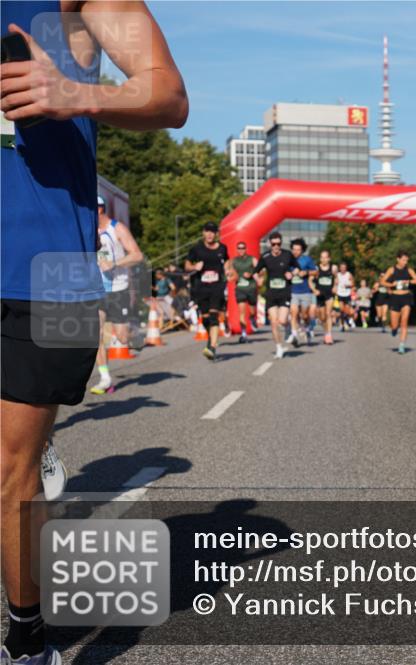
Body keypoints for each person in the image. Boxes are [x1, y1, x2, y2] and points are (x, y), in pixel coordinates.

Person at [1, 3, 187, 663]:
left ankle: (28, 641)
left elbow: (167, 95)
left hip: (37, 271)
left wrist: (74, 94)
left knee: (7, 470)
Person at [89, 196, 145, 394]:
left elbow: (137, 255)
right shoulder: (89, 230)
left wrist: (114, 264)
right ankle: (105, 378)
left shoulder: (117, 228)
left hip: (118, 288)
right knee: (96, 334)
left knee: (122, 338)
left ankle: (134, 331)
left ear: (99, 209)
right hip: (97, 290)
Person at [185, 222, 230, 360]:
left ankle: (212, 347)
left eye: (212, 231)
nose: (210, 234)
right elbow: (187, 265)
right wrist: (194, 267)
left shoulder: (222, 248)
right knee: (205, 318)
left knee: (213, 316)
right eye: (207, 231)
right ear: (203, 233)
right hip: (201, 287)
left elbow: (227, 261)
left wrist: (227, 270)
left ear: (216, 234)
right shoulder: (196, 249)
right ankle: (212, 337)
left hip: (217, 286)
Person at [254, 232, 298, 358]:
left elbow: (297, 268)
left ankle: (288, 330)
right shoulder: (265, 256)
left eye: (278, 244)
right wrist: (258, 280)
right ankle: (279, 347)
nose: (276, 246)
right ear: (270, 244)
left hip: (284, 292)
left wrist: (292, 274)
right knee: (274, 322)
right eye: (274, 244)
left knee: (282, 320)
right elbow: (255, 271)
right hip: (271, 294)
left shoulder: (287, 255)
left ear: (281, 243)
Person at [380, 250, 416, 354]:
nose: (405, 262)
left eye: (406, 260)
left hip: (406, 297)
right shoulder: (392, 270)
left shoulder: (409, 270)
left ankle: (402, 345)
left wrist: (408, 281)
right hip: (395, 298)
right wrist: (392, 284)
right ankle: (394, 329)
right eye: (403, 260)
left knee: (404, 322)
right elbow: (382, 281)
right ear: (398, 259)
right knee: (395, 325)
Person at [287, 238, 317, 347]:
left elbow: (315, 272)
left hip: (305, 291)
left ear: (302, 250)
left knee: (304, 315)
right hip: (293, 291)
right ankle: (295, 336)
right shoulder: (288, 259)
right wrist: (289, 274)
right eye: (294, 249)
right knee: (294, 313)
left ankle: (307, 329)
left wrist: (306, 272)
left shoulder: (307, 260)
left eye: (298, 250)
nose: (295, 252)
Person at [231, 241, 257, 344]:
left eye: (243, 248)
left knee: (252, 312)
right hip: (240, 289)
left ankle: (252, 318)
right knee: (241, 312)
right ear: (237, 249)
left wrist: (251, 274)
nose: (241, 250)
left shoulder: (252, 259)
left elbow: (260, 269)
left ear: (246, 249)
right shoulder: (234, 261)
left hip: (251, 288)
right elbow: (231, 272)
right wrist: (232, 276)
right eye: (239, 248)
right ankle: (244, 334)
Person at [315, 249, 336, 345]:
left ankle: (329, 335)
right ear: (320, 258)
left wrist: (335, 286)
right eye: (322, 257)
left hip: (329, 294)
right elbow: (311, 280)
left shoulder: (333, 268)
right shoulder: (316, 268)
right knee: (322, 317)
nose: (323, 259)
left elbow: (336, 278)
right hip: (320, 295)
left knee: (328, 314)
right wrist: (314, 290)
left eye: (325, 257)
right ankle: (326, 332)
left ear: (329, 258)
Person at [336, 262, 355, 332]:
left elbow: (353, 283)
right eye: (341, 267)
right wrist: (335, 286)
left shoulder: (349, 274)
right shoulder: (337, 275)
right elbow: (335, 283)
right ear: (340, 268)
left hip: (347, 294)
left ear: (346, 268)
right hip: (340, 294)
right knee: (341, 310)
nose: (343, 269)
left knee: (346, 311)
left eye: (344, 267)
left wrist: (348, 285)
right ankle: (342, 325)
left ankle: (346, 320)